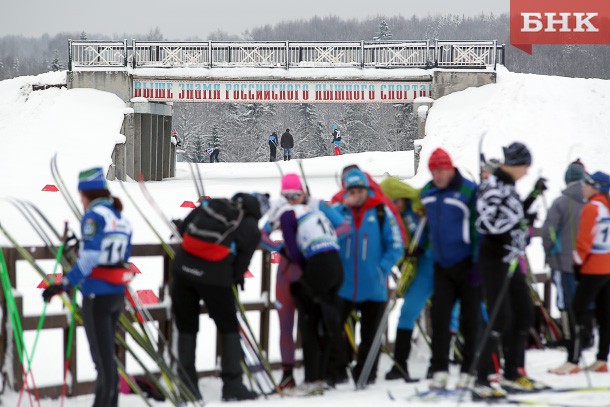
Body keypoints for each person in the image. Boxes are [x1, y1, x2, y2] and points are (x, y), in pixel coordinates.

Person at [43, 167, 133, 407]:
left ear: (86, 194)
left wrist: (64, 284)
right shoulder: (120, 218)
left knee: (102, 363)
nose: (80, 202)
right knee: (108, 359)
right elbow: (123, 255)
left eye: (80, 196)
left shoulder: (94, 217)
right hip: (116, 294)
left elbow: (91, 258)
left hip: (96, 294)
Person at [171, 192, 264, 401]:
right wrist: (231, 277)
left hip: (182, 269)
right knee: (228, 326)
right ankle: (232, 384)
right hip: (214, 276)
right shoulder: (250, 226)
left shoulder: (213, 205)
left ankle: (187, 388)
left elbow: (184, 228)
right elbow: (241, 264)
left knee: (186, 326)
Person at [260, 174, 349, 390]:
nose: (292, 199)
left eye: (296, 195)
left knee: (312, 322)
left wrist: (317, 244)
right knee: (286, 323)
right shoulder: (282, 210)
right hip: (289, 270)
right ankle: (288, 373)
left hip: (310, 268)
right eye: (287, 196)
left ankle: (322, 372)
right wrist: (279, 247)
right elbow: (262, 234)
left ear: (304, 192)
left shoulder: (317, 204)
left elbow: (345, 228)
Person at [475, 142, 541, 397]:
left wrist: (530, 204)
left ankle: (514, 372)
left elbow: (512, 217)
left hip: (511, 258)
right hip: (495, 258)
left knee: (524, 312)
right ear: (516, 165)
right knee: (499, 317)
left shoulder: (508, 187)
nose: (526, 173)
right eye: (525, 167)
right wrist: (518, 222)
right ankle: (484, 376)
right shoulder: (492, 185)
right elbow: (487, 221)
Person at [332, 167, 404, 385]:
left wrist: (381, 269)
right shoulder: (338, 211)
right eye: (351, 190)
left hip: (374, 285)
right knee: (334, 328)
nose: (356, 195)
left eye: (359, 190)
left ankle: (366, 374)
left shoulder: (381, 211)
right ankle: (337, 370)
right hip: (343, 284)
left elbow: (396, 245)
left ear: (366, 189)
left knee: (370, 335)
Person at [420, 148, 482, 391]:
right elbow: (427, 226)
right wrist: (420, 247)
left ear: (450, 168)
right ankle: (440, 370)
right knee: (440, 318)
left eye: (441, 171)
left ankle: (469, 370)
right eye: (434, 171)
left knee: (470, 320)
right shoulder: (427, 192)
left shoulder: (468, 190)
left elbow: (479, 229)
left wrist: (477, 263)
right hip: (442, 266)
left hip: (466, 265)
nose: (438, 176)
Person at [549, 171, 610, 375]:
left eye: (587, 184)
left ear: (596, 187)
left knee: (576, 311)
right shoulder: (606, 206)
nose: (583, 187)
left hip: (592, 267)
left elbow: (584, 241)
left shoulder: (592, 208)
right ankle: (602, 358)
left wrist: (577, 263)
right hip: (607, 267)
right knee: (604, 314)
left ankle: (572, 360)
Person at [380, 177, 433, 382]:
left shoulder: (421, 204)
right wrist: (404, 261)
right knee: (407, 313)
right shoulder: (397, 217)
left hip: (440, 266)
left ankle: (440, 364)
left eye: (394, 201)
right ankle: (400, 365)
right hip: (419, 269)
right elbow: (399, 243)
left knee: (445, 314)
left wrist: (425, 248)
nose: (393, 207)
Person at [542, 160, 587, 346]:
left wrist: (549, 251)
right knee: (583, 297)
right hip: (586, 260)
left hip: (562, 260)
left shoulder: (560, 203)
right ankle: (586, 336)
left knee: (565, 298)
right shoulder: (591, 202)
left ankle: (569, 337)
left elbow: (549, 231)